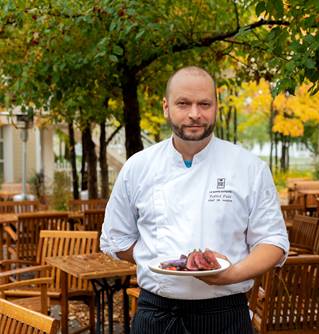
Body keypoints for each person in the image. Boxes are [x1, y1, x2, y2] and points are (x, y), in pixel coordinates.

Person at [100, 66, 289, 334]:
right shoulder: (138, 167)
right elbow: (115, 239)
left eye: (204, 104)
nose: (194, 114)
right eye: (183, 103)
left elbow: (273, 241)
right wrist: (161, 263)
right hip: (156, 315)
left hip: (225, 314)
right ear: (166, 107)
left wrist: (230, 274)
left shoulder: (249, 167)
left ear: (216, 107)